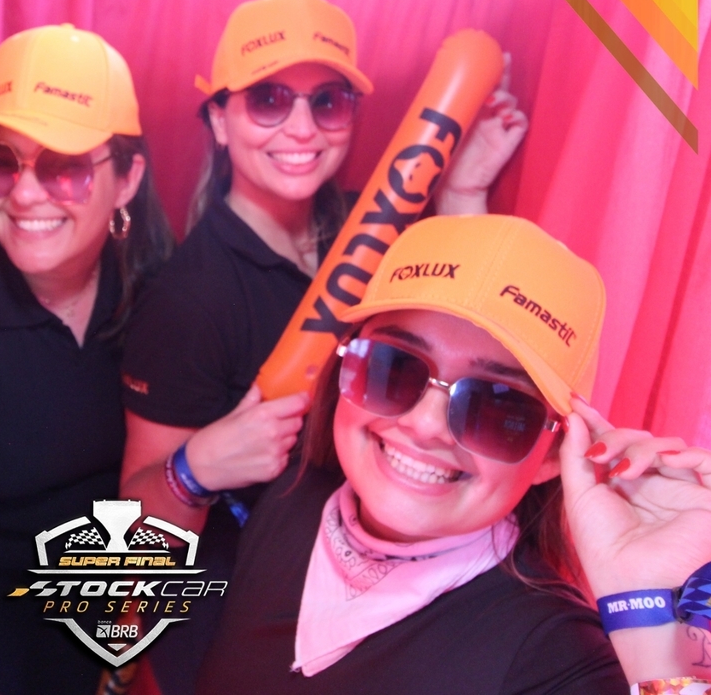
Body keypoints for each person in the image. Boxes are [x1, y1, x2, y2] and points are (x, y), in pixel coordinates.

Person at [118, 0, 529, 693]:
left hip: (374, 593)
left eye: (328, 102)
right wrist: (195, 468)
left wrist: (462, 192)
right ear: (219, 119)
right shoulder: (187, 300)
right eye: (268, 99)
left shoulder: (374, 224)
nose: (302, 128)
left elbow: (469, 328)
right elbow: (130, 550)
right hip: (245, 619)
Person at [196, 214, 711, 694]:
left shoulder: (552, 654)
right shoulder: (291, 492)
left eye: (498, 406)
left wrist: (664, 628)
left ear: (554, 455)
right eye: (394, 367)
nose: (425, 425)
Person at [0, 25, 173, 695]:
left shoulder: (157, 291)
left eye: (65, 166)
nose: (22, 194)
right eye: (2, 161)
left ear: (128, 179)